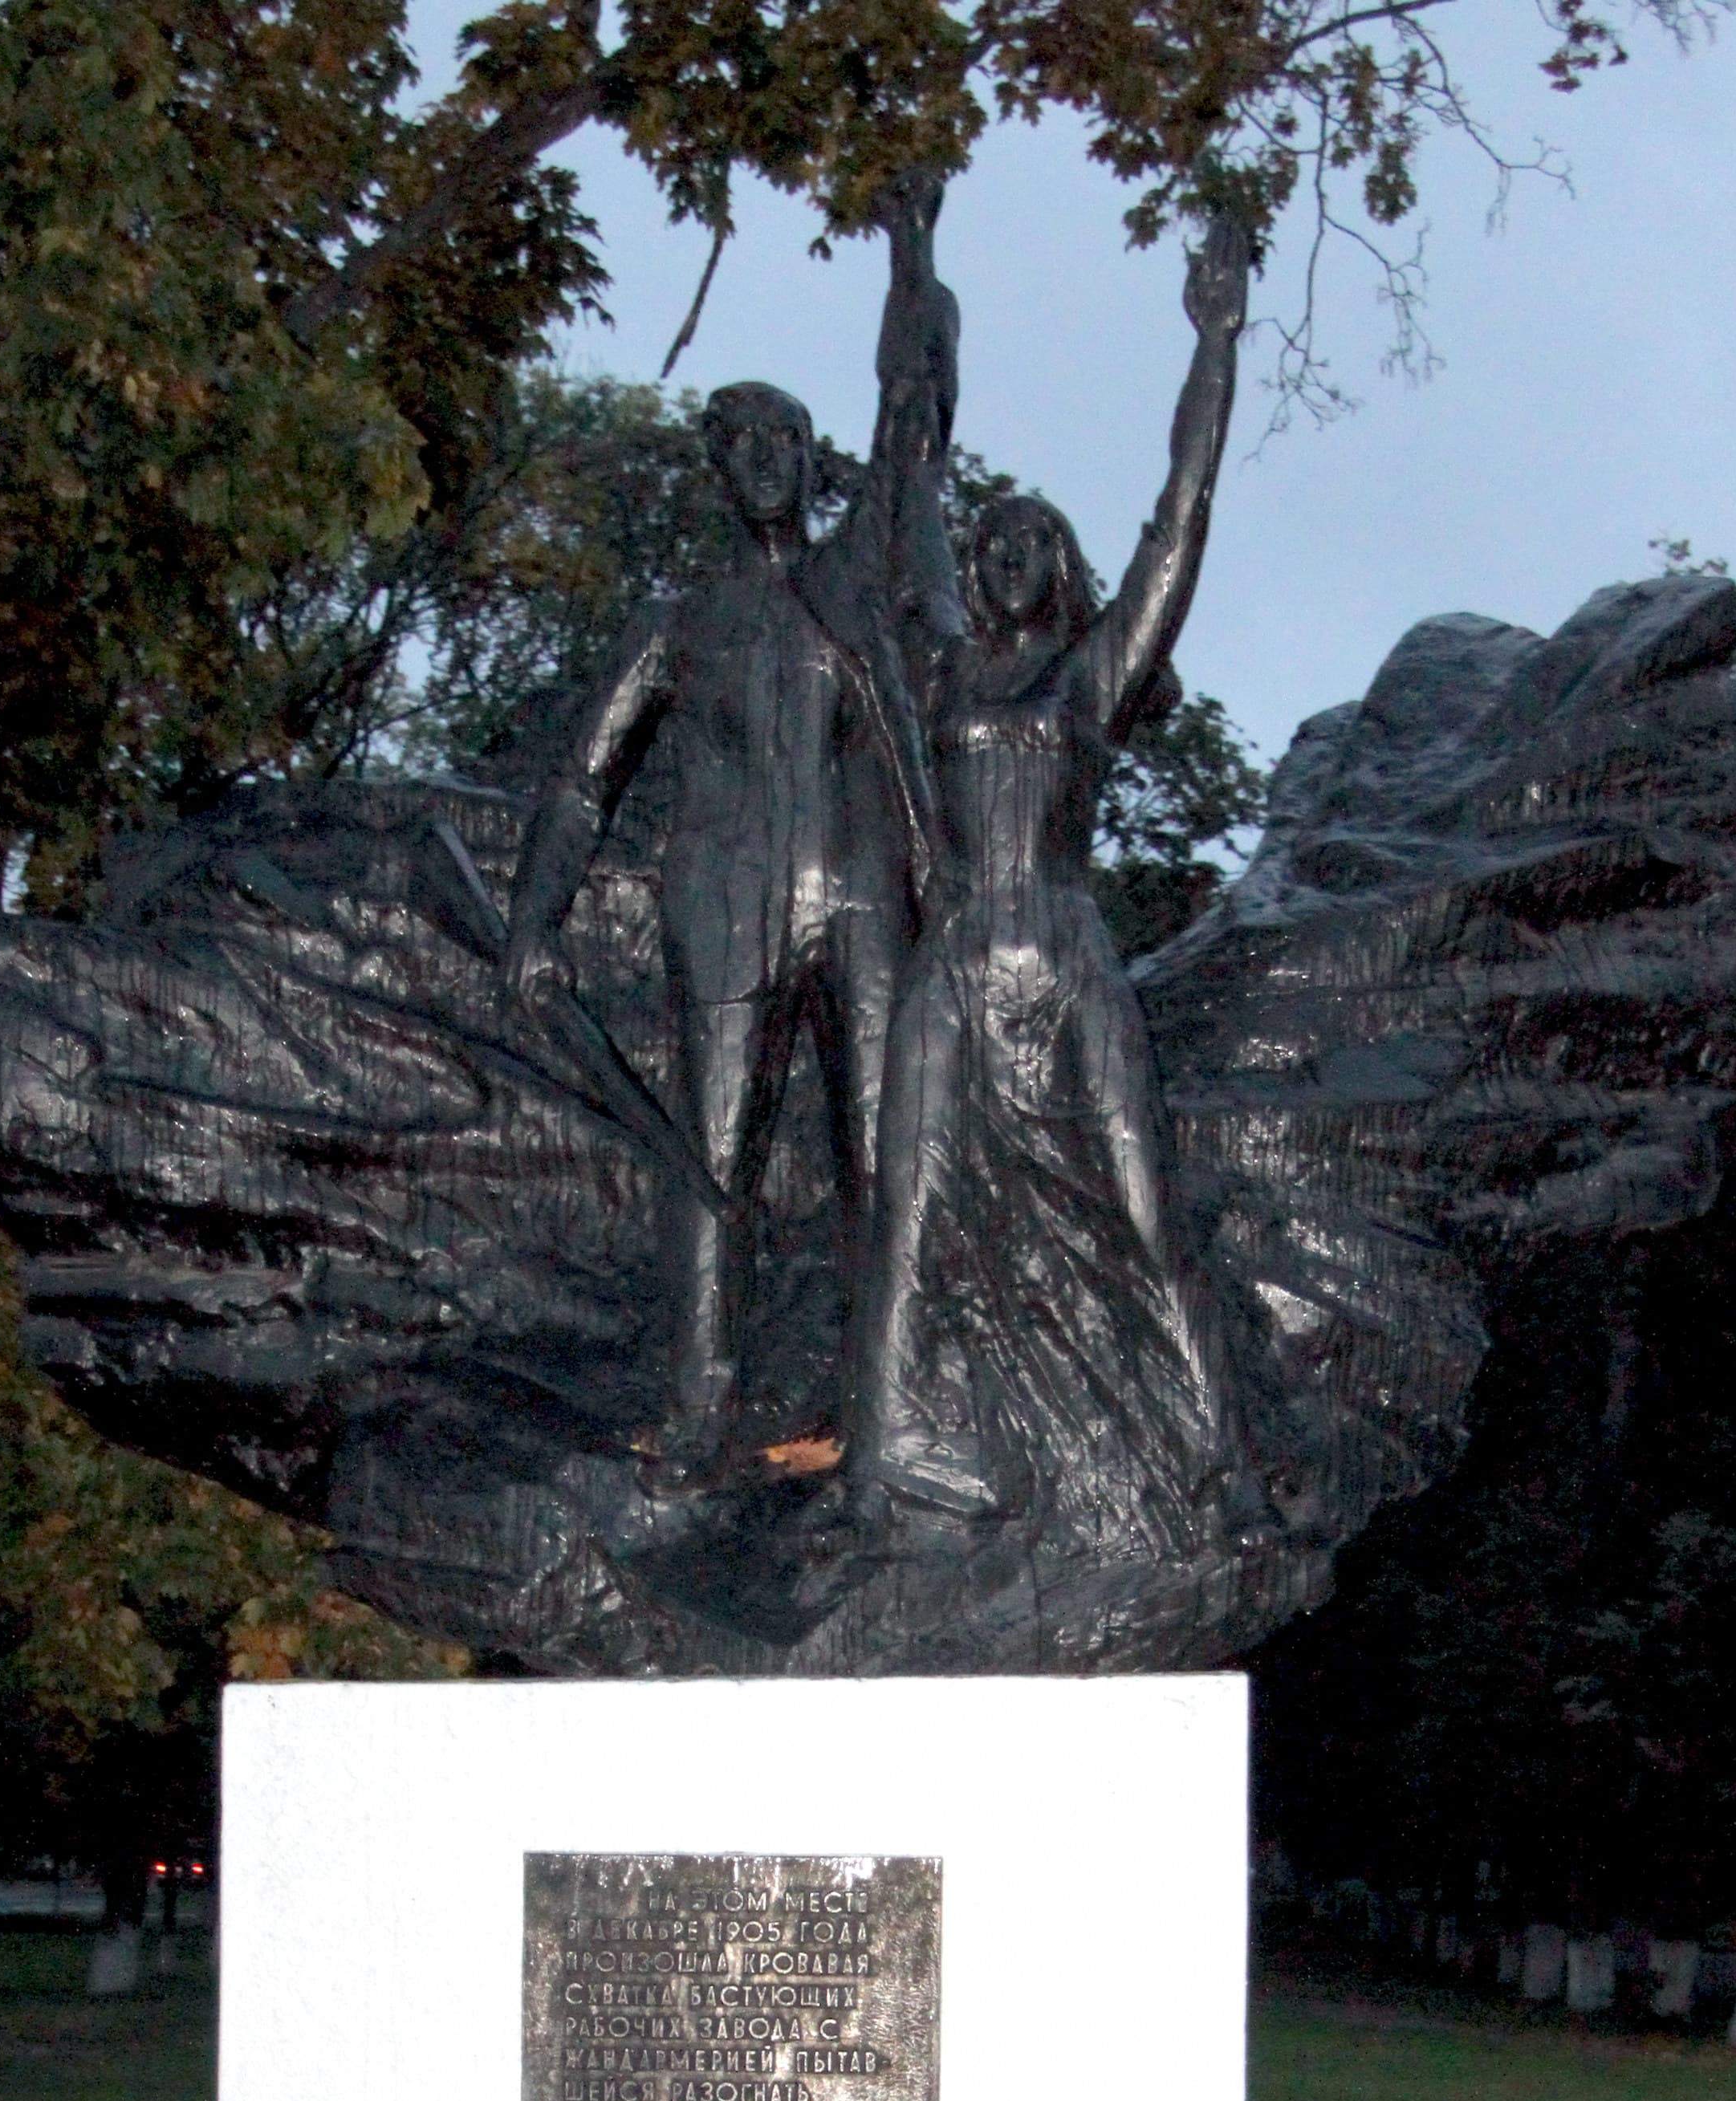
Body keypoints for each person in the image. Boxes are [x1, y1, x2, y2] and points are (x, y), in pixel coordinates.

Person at [500, 178, 959, 1496]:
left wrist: (911, 247)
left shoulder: (858, 573)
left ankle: (884, 1407)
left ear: (814, 466)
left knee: (885, 1157)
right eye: (736, 440)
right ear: (714, 471)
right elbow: (583, 779)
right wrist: (534, 924)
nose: (760, 456)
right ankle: (700, 1412)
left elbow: (911, 409)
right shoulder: (678, 619)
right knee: (709, 1167)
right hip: (722, 909)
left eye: (781, 438)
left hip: (865, 899)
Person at [844, 217, 1259, 1552]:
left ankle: (1218, 1456)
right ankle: (884, 1451)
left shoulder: (1093, 678)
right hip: (954, 960)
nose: (1005, 552)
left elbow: (1180, 520)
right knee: (902, 1204)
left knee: (1146, 1208)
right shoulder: (944, 672)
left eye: (1033, 540)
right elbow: (907, 492)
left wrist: (1215, 343)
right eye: (995, 540)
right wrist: (912, 271)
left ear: (1065, 573)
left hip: (1070, 954)